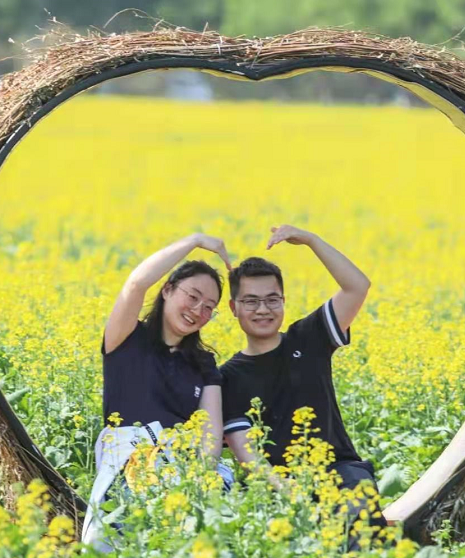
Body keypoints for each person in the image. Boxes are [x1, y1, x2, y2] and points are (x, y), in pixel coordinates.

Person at [220, 224, 389, 549]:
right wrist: (288, 491)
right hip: (276, 482)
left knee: (357, 505)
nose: (263, 310)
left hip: (339, 471)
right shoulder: (227, 377)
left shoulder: (308, 337)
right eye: (251, 302)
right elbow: (247, 454)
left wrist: (311, 240)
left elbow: (357, 286)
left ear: (283, 301)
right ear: (234, 308)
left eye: (272, 300)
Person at [82, 233, 232, 549]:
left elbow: (210, 434)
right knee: (108, 541)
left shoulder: (204, 363)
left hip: (182, 465)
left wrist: (195, 483)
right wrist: (195, 240)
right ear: (167, 290)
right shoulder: (126, 337)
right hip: (129, 460)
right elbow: (136, 284)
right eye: (192, 296)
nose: (198, 310)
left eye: (209, 307)